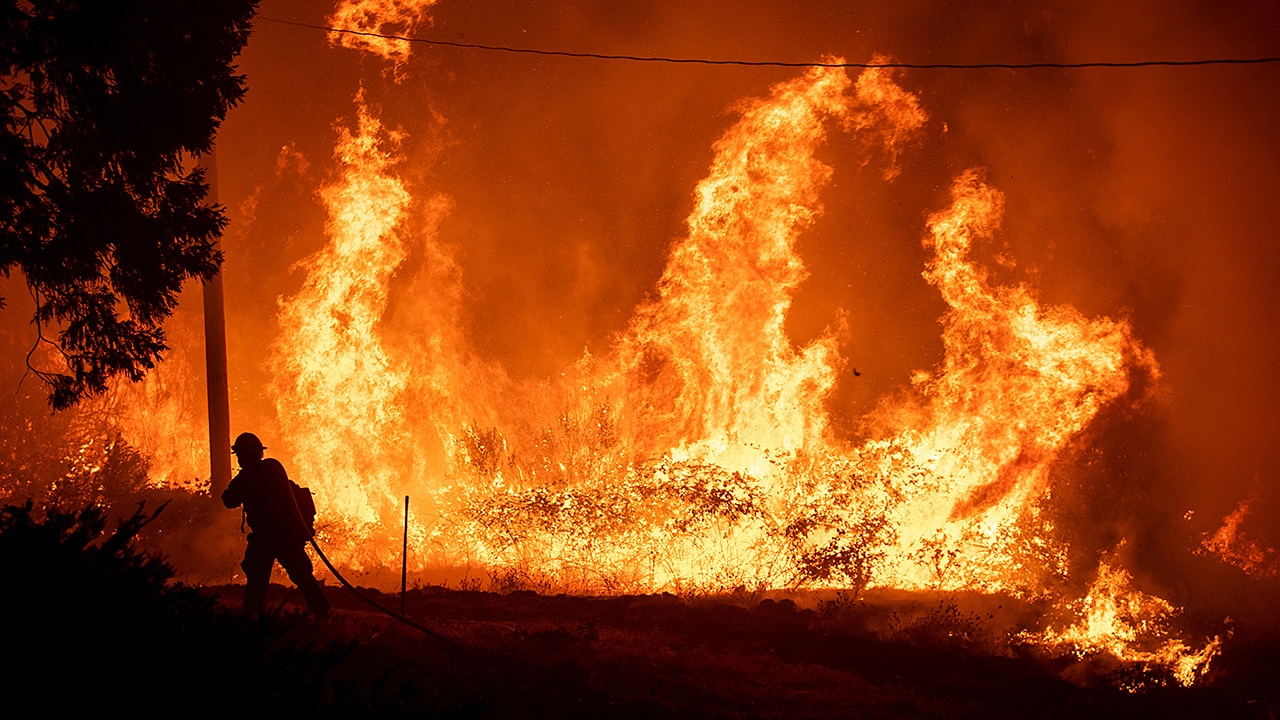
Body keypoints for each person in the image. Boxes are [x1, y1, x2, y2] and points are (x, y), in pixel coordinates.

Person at [221, 432, 330, 620]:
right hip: (287, 536)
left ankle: (251, 614)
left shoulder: (249, 477)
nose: (238, 459)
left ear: (246, 455)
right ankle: (322, 610)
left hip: (267, 537)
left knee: (257, 576)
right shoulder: (274, 472)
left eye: (239, 455)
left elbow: (229, 500)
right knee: (300, 574)